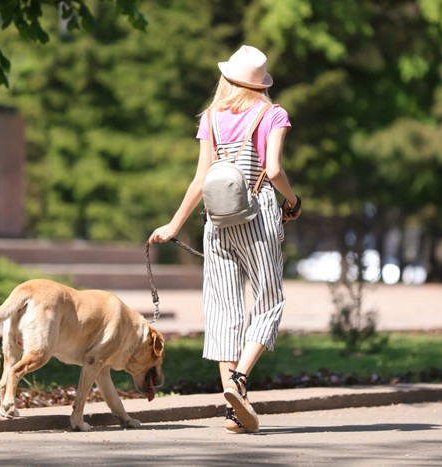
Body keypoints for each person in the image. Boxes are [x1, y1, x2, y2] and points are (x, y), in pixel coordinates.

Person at [148, 45, 301, 434]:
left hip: (216, 221)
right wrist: (293, 199)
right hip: (258, 217)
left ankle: (234, 411)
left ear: (228, 79)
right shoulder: (273, 114)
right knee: (269, 301)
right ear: (260, 83)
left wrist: (173, 225)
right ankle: (240, 380)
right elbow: (273, 168)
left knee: (223, 309)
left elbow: (200, 180)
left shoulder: (212, 118)